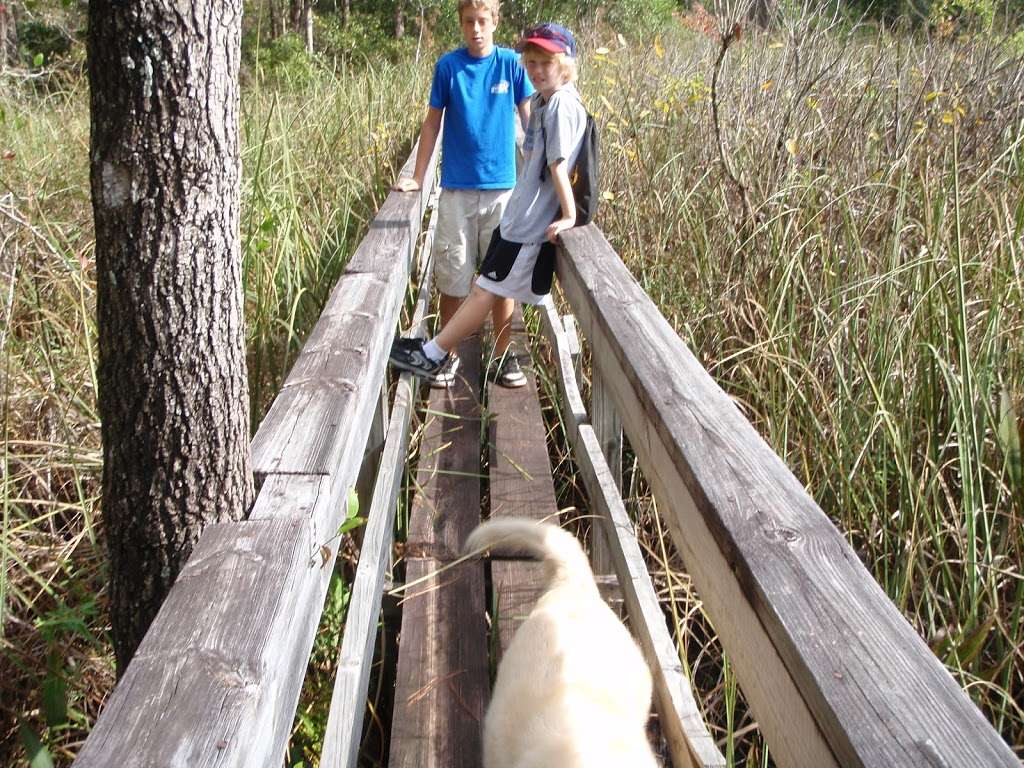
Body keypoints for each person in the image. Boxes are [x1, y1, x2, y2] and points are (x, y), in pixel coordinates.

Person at [390, 22, 587, 388]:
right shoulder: (548, 101)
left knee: (486, 289)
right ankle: (438, 353)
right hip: (517, 219)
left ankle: (436, 354)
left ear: (566, 62)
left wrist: (570, 214)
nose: (537, 70)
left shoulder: (559, 104)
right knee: (486, 287)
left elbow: (558, 163)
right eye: (532, 62)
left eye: (546, 62)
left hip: (527, 226)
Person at [393, 0, 533, 388]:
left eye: (482, 21)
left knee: (501, 281)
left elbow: (530, 125)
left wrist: (546, 180)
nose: (476, 29)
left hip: (502, 192)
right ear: (461, 22)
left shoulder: (510, 65)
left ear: (494, 22)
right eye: (469, 21)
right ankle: (447, 356)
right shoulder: (448, 68)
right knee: (452, 278)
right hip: (455, 192)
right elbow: (431, 125)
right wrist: (418, 178)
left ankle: (504, 357)